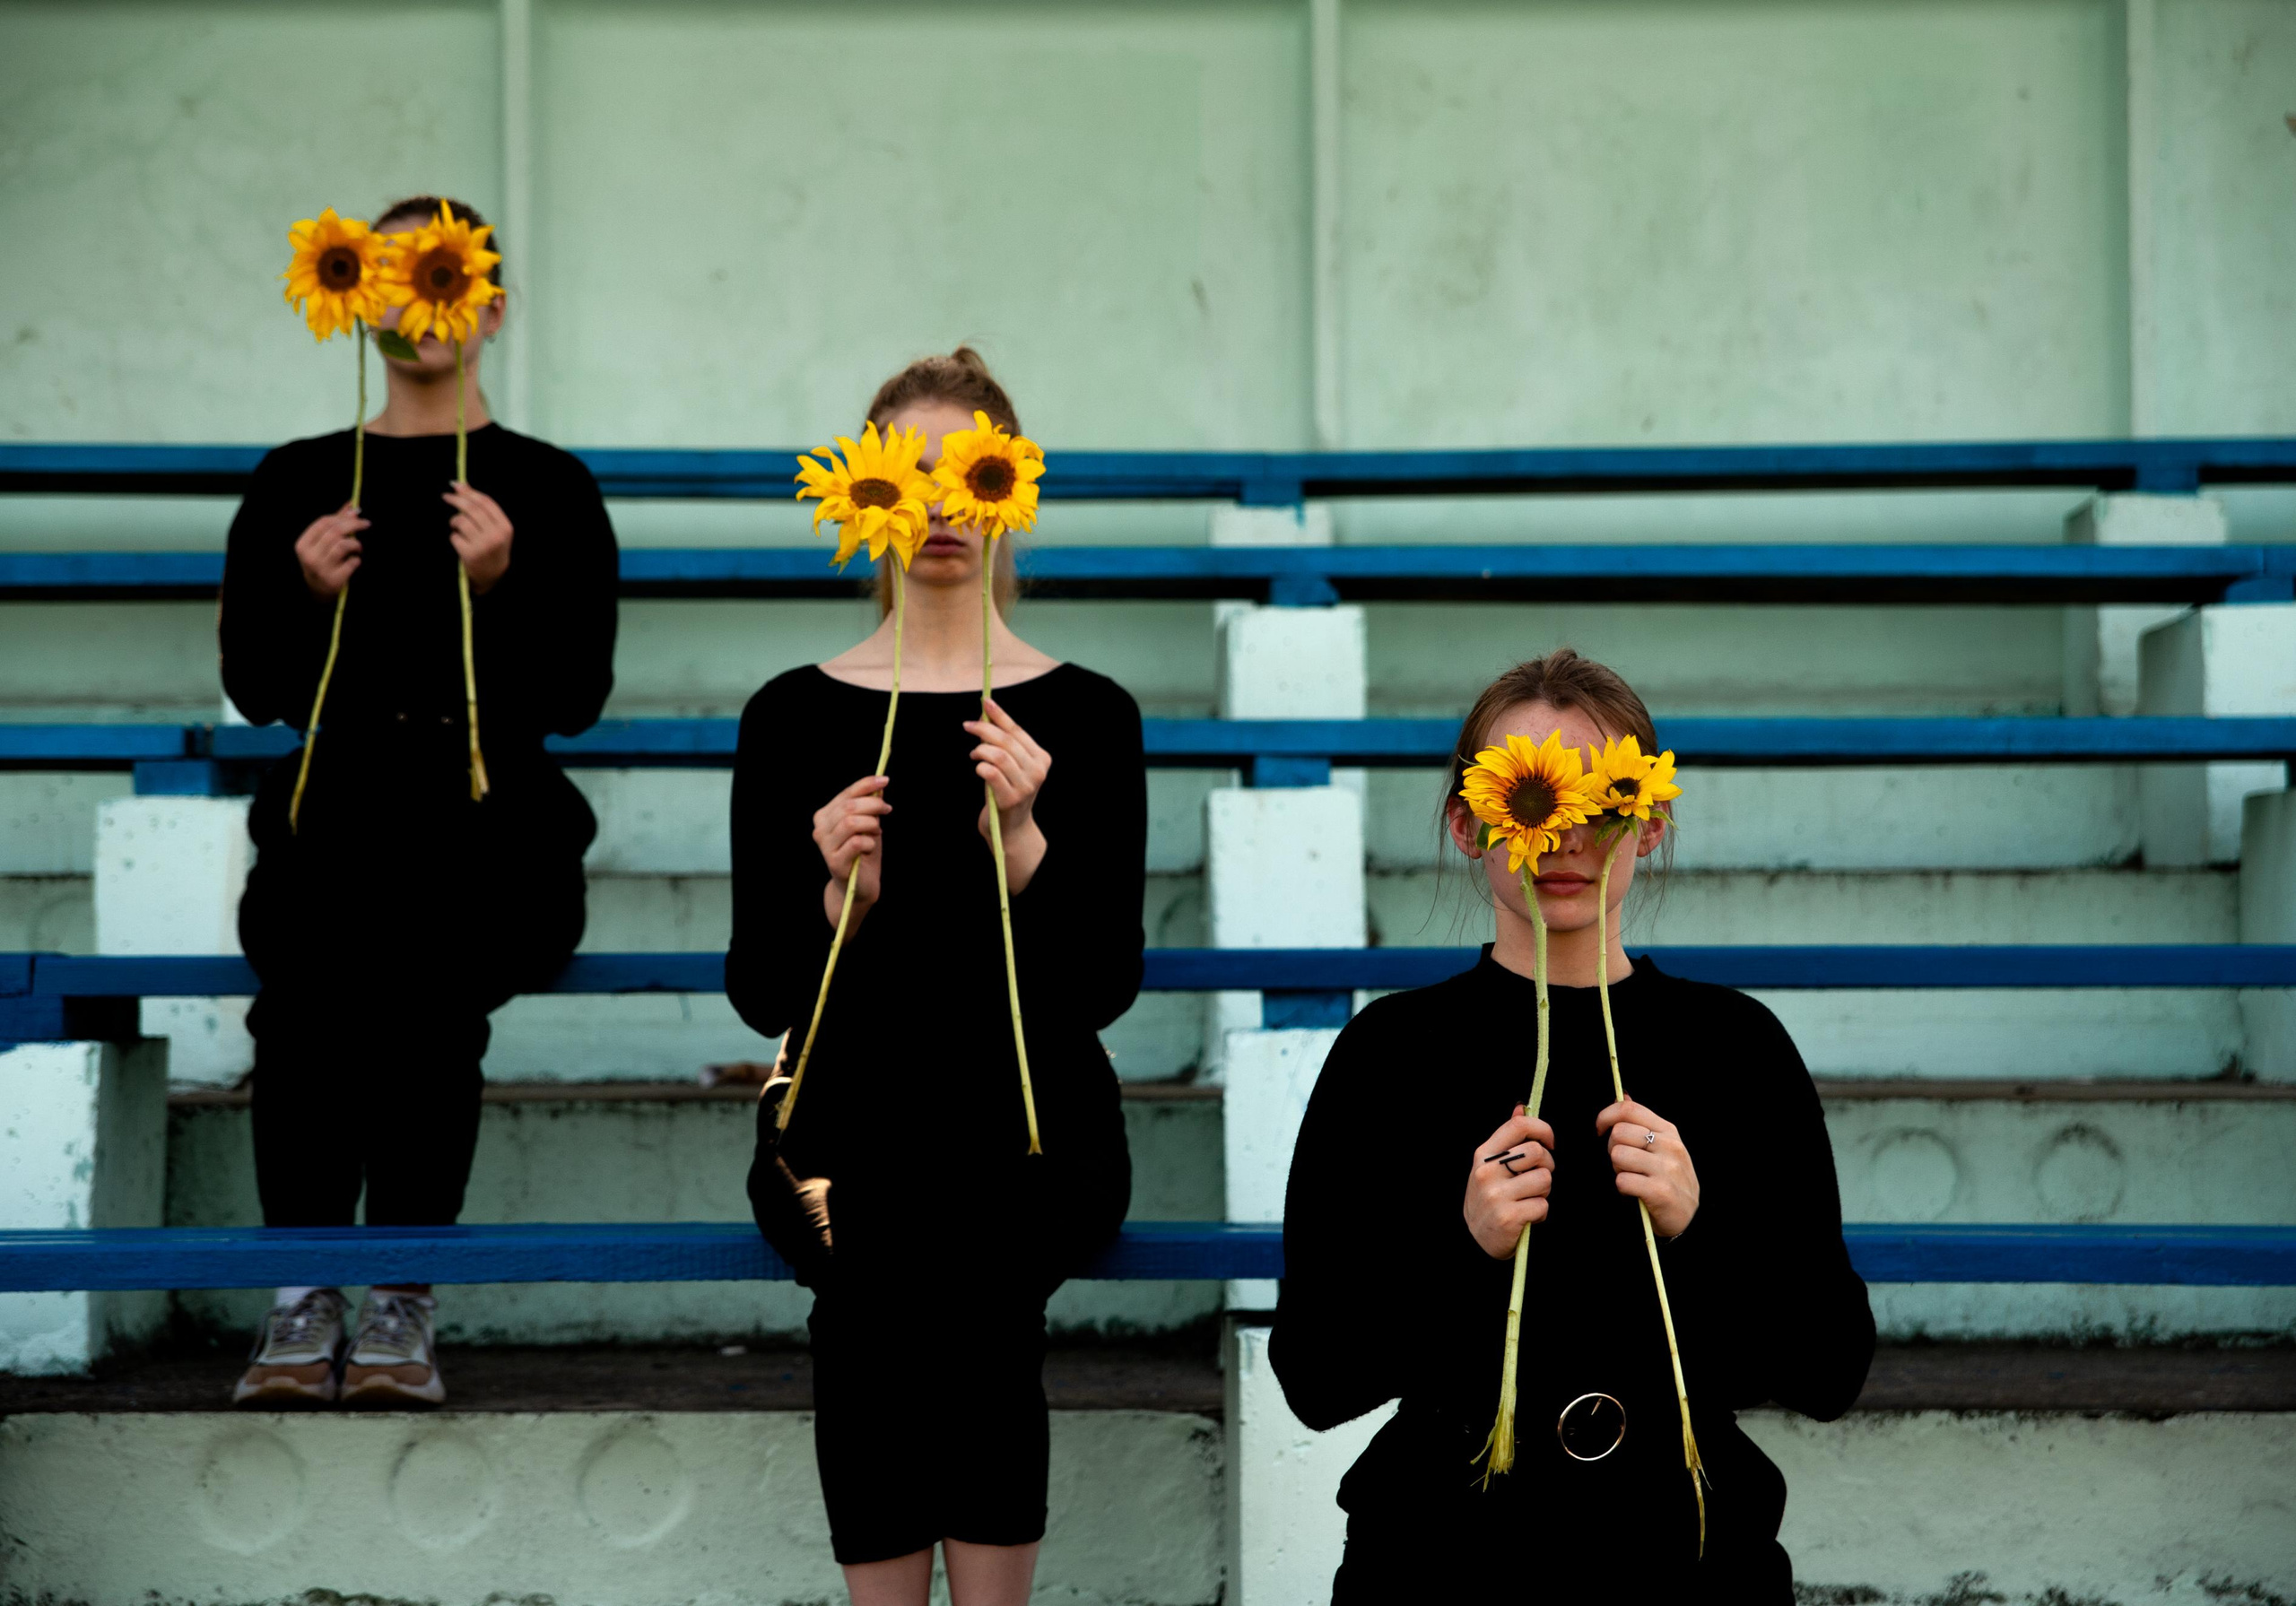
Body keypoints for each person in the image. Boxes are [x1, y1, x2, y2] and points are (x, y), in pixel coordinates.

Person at [1270, 649, 1874, 1601]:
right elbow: (1313, 1374)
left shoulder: (1734, 1044)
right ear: (1468, 825)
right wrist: (1462, 1245)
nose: (1565, 838)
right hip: (1443, 1558)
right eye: (1530, 801)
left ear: (1653, 820)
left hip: (1684, 1556)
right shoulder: (1392, 1049)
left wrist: (1698, 1228)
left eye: (1605, 802)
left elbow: (1831, 1365)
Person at [725, 349, 1145, 1606]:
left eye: (971, 470)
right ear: (862, 494)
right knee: (876, 1261)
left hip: (1033, 1127)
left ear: (1013, 489)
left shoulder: (1090, 713)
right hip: (845, 1120)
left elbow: (1098, 985)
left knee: (969, 1255)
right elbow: (764, 990)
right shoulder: (791, 714)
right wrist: (831, 893)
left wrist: (1024, 843)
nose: (941, 503)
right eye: (904, 473)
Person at [219, 195, 618, 1408]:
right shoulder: (300, 481)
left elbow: (576, 694)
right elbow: (258, 687)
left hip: (490, 823)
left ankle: (400, 1289)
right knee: (304, 1009)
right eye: (389, 278)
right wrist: (302, 590)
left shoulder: (546, 486)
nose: (416, 303)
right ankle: (305, 1290)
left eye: (442, 279)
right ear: (354, 296)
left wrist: (501, 583)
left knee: (429, 995)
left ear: (489, 305)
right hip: (337, 810)